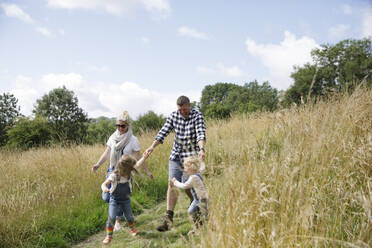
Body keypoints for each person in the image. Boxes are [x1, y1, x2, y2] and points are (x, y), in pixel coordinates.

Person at [144, 95, 206, 232]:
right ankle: (168, 220)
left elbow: (201, 134)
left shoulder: (197, 116)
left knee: (189, 186)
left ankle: (197, 207)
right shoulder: (174, 116)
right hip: (176, 156)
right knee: (172, 184)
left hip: (191, 158)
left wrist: (201, 149)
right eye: (180, 110)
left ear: (189, 106)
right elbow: (162, 133)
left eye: (184, 109)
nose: (182, 112)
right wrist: (151, 147)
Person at [92, 111, 153, 231]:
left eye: (123, 126)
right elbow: (107, 153)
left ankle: (118, 220)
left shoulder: (132, 139)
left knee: (118, 194)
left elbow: (138, 157)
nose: (120, 128)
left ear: (128, 126)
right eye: (118, 126)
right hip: (112, 170)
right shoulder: (113, 137)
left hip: (125, 172)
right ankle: (122, 212)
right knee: (106, 197)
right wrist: (98, 164)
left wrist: (147, 171)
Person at [101, 154, 145, 245]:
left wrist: (144, 157)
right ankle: (109, 236)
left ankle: (133, 229)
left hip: (126, 199)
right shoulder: (114, 176)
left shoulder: (129, 174)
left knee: (129, 216)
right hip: (114, 200)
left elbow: (138, 164)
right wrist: (105, 188)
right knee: (112, 217)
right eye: (131, 168)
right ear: (126, 168)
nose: (133, 169)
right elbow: (104, 184)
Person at [170, 156, 208, 230]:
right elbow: (202, 167)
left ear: (191, 168)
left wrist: (175, 182)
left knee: (206, 215)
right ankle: (198, 226)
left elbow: (184, 186)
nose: (185, 170)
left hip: (202, 199)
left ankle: (211, 227)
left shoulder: (193, 178)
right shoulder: (198, 173)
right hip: (197, 199)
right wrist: (202, 160)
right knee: (191, 211)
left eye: (186, 168)